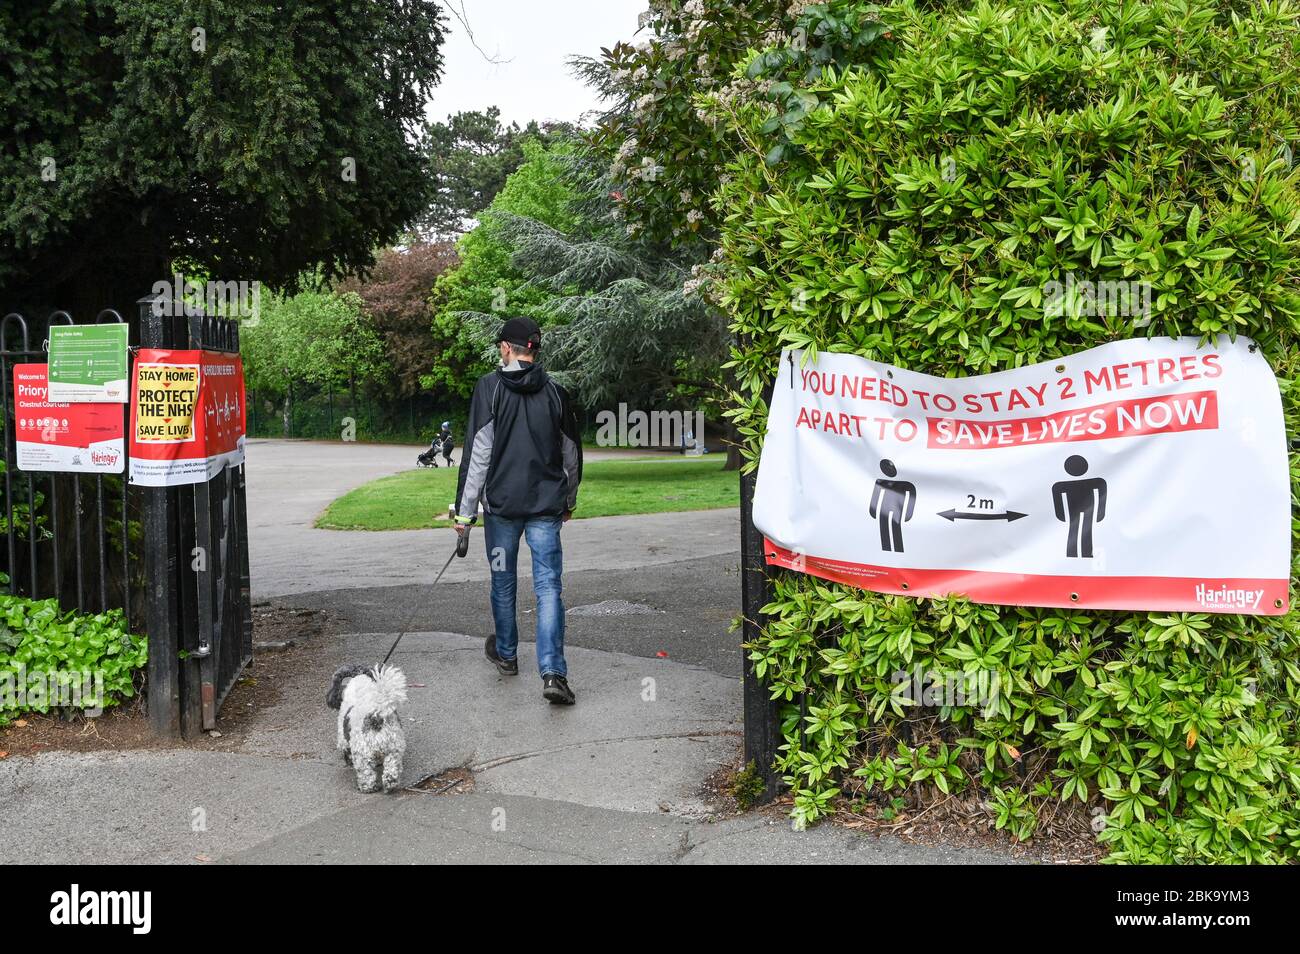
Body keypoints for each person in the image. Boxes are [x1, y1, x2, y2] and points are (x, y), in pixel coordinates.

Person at [454, 317, 583, 705]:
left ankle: (507, 655)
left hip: (501, 511)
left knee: (503, 582)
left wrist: (464, 517)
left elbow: (478, 455)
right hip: (546, 509)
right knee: (548, 588)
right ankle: (553, 673)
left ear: (507, 349)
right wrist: (569, 501)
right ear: (534, 350)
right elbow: (571, 455)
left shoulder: (489, 389)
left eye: (500, 347)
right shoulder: (557, 393)